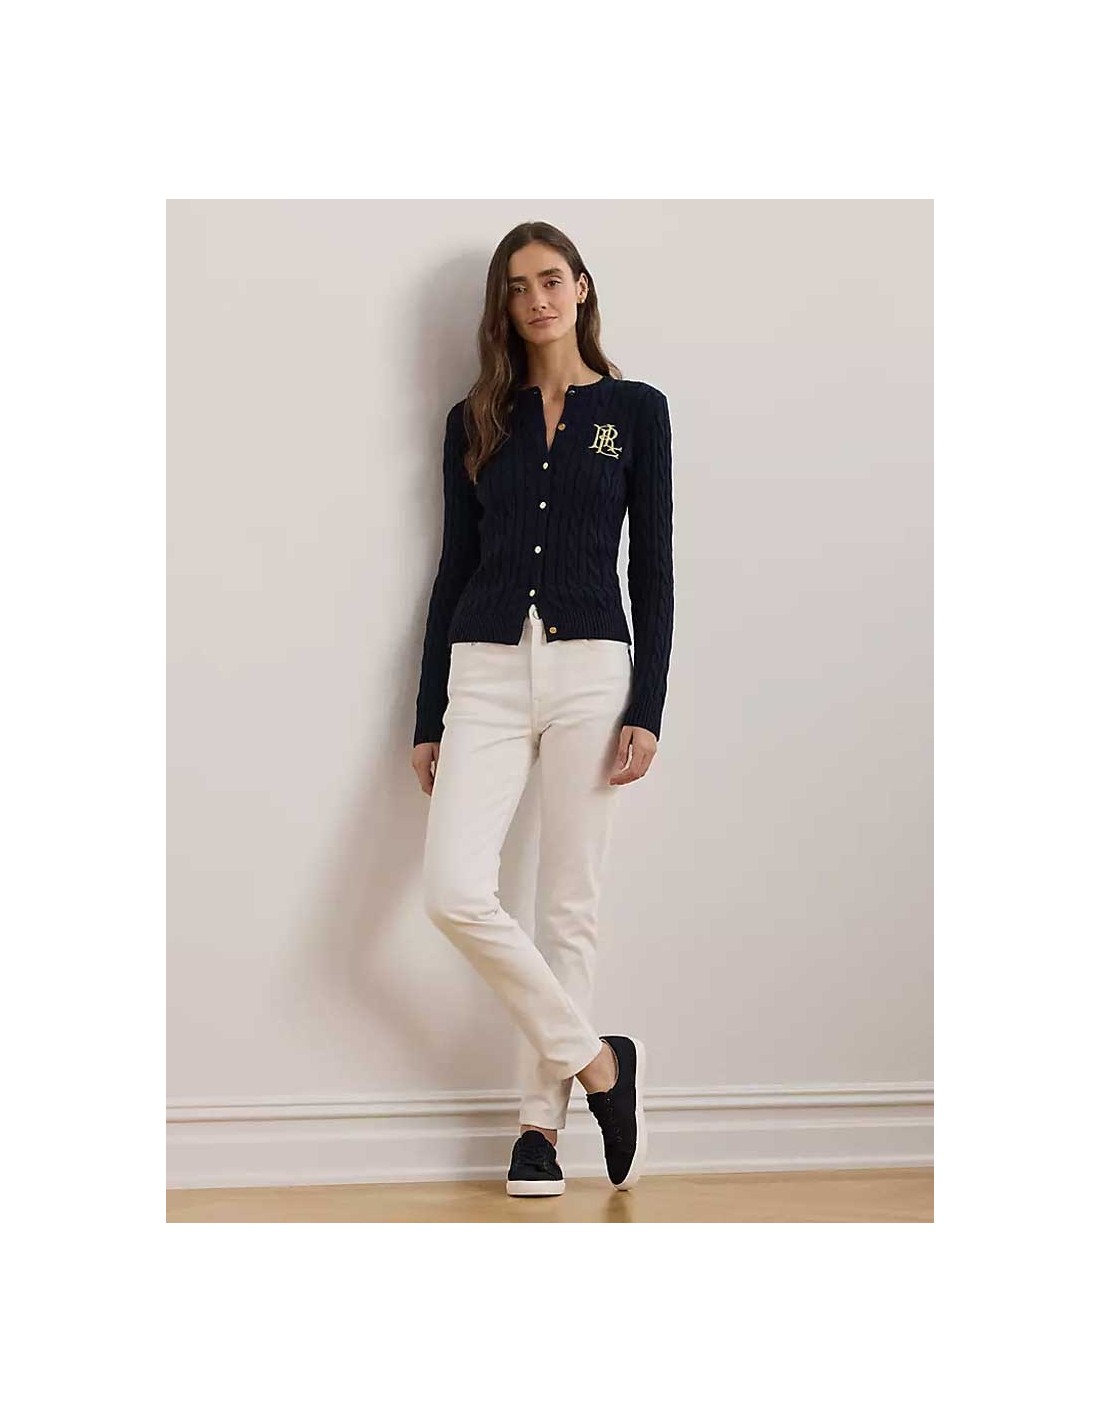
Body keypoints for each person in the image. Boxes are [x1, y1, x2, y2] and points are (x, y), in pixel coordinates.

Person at [410, 220, 674, 1196]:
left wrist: (648, 702)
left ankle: (538, 1129)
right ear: (503, 306)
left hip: (592, 671)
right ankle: (600, 1065)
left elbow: (653, 566)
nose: (536, 300)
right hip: (482, 669)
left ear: (581, 287)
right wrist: (428, 715)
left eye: (551, 279)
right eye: (517, 287)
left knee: (568, 906)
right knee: (452, 891)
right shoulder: (475, 419)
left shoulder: (634, 412)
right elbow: (452, 568)